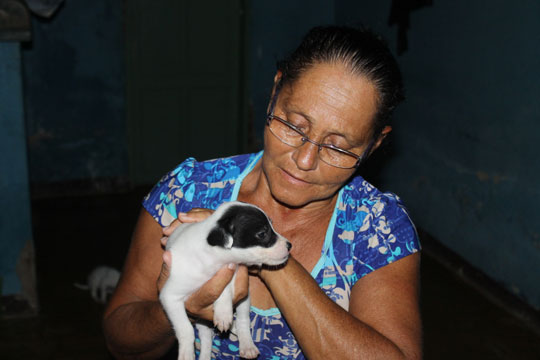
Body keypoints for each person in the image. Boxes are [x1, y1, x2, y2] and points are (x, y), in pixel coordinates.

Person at [103, 25, 422, 360]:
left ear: (375, 144)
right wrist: (177, 305)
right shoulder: (188, 192)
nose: (304, 160)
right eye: (294, 125)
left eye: (337, 148)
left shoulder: (377, 229)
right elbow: (120, 341)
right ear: (275, 92)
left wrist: (265, 255)